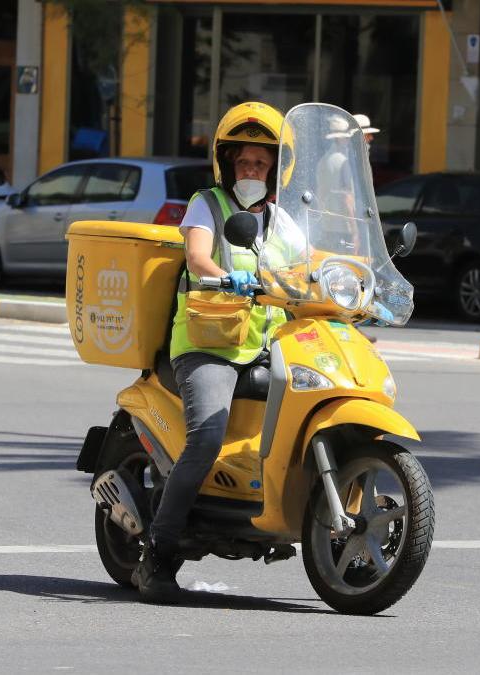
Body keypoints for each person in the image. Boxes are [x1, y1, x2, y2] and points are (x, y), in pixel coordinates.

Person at [132, 101, 290, 604]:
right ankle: (157, 553)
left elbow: (312, 262)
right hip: (208, 345)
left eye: (260, 164)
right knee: (205, 436)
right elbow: (197, 254)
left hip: (268, 346)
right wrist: (224, 275)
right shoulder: (209, 204)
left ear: (275, 170)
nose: (251, 172)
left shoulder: (284, 219)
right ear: (227, 164)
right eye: (244, 163)